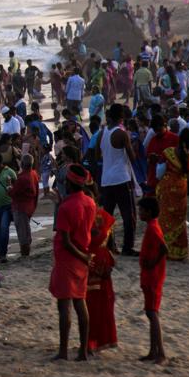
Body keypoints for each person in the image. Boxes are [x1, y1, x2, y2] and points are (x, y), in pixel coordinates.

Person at [49, 164, 96, 362]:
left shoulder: (66, 207)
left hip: (69, 258)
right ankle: (83, 351)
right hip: (82, 255)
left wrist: (82, 256)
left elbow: (67, 241)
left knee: (64, 306)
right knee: (80, 302)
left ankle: (63, 351)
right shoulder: (90, 202)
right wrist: (84, 256)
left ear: (69, 183)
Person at [100, 104, 139, 255]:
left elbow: (97, 155)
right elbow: (132, 158)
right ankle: (127, 247)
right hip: (121, 178)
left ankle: (110, 245)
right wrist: (133, 147)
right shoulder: (122, 134)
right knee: (129, 214)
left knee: (108, 216)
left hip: (106, 179)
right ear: (122, 118)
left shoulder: (103, 132)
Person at [85, 189, 118, 353]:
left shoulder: (86, 217)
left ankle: (93, 341)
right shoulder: (103, 217)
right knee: (95, 304)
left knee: (97, 304)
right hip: (97, 262)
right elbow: (111, 244)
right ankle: (94, 340)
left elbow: (111, 243)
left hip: (95, 262)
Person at [156, 128, 189, 261]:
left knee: (165, 217)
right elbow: (188, 173)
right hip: (181, 188)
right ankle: (178, 251)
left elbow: (159, 172)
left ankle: (164, 248)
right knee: (179, 219)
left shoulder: (168, 152)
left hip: (167, 188)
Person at [137, 196, 168, 365]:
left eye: (141, 210)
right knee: (150, 312)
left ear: (149, 212)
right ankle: (153, 351)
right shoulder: (152, 226)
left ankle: (160, 353)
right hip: (150, 275)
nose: (139, 213)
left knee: (152, 313)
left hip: (153, 276)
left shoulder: (152, 228)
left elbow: (164, 248)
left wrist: (153, 262)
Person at [8, 154, 39, 257]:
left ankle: (25, 254)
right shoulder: (33, 174)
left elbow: (12, 193)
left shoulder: (22, 178)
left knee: (23, 234)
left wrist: (9, 186)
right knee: (26, 231)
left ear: (22, 164)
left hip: (21, 207)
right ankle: (25, 253)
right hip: (29, 207)